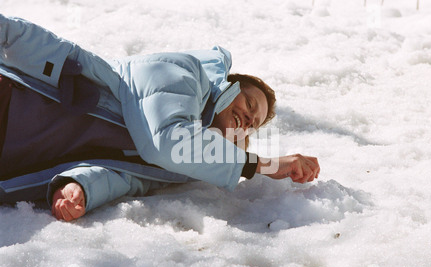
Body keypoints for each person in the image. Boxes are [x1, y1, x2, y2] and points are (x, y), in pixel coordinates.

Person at [0, 15, 320, 222]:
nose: (249, 117)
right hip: (12, 99)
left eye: (254, 122)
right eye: (250, 102)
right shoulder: (182, 73)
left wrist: (79, 187)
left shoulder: (189, 168)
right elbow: (166, 143)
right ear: (228, 85)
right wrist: (263, 165)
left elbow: (128, 177)